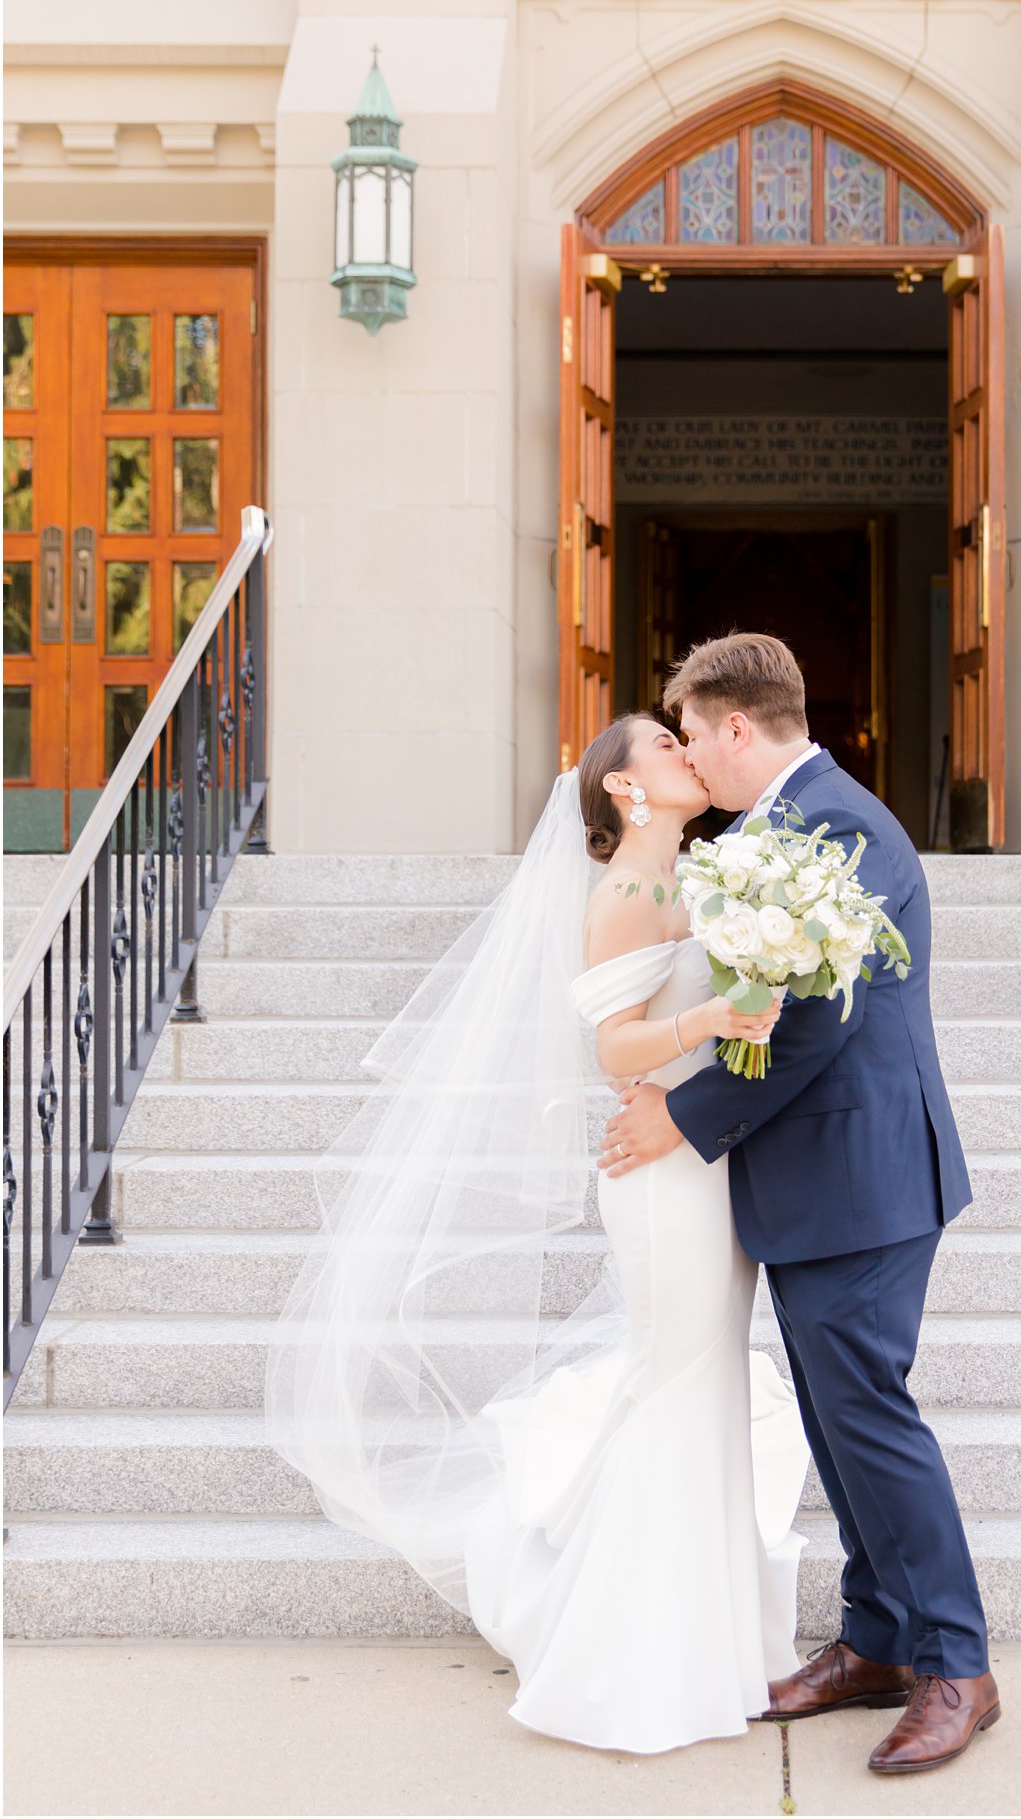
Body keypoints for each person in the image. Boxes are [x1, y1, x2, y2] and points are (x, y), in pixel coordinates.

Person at [265, 713, 809, 1754]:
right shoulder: (622, 896)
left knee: (704, 1385)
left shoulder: (695, 880)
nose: (684, 753)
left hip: (705, 1163)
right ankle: (629, 1654)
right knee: (676, 1380)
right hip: (658, 1173)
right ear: (623, 791)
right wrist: (710, 1022)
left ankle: (707, 1638)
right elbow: (616, 1051)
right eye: (662, 745)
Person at [602, 632, 999, 1779]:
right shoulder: (778, 829)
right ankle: (875, 1641)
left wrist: (679, 1119)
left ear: (737, 728)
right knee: (836, 1422)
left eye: (692, 732)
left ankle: (956, 1666)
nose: (691, 757)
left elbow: (814, 1017)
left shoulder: (841, 826)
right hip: (814, 1179)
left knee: (867, 1415)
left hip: (863, 1176)